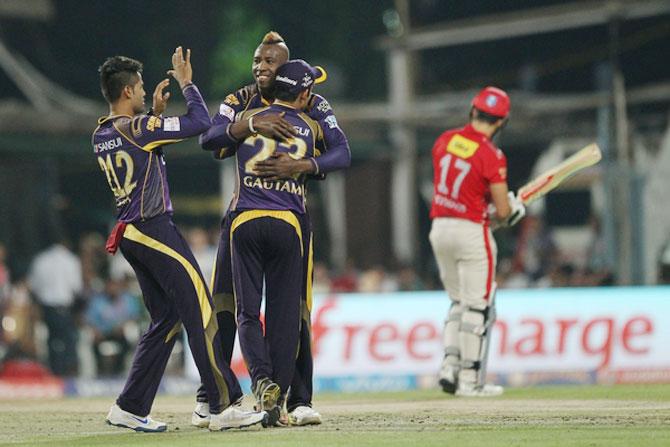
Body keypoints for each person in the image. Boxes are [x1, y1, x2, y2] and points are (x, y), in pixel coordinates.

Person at [93, 47, 266, 432]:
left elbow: (139, 155)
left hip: (130, 234)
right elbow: (201, 122)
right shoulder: (138, 129)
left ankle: (130, 406)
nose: (143, 94)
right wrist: (187, 83)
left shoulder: (103, 132)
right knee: (201, 308)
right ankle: (222, 405)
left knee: (167, 318)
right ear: (126, 93)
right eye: (139, 89)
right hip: (154, 227)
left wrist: (153, 114)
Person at [194, 31, 350, 427]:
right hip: (249, 215)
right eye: (257, 61)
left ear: (284, 70)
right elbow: (210, 138)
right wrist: (249, 123)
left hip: (276, 215)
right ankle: (213, 397)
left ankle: (296, 398)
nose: (261, 68)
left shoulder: (313, 100)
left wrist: (304, 166)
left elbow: (339, 149)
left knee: (293, 309)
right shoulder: (241, 100)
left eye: (269, 63)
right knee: (225, 305)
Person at [428, 86, 525, 397]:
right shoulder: (491, 155)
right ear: (501, 122)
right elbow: (504, 210)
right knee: (477, 307)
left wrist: (491, 208)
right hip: (471, 232)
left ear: (473, 111)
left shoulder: (444, 141)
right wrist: (513, 210)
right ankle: (470, 381)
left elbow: (460, 190)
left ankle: (449, 367)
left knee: (458, 301)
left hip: (440, 228)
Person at [28, 239, 82, 376]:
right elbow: (76, 288)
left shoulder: (40, 259)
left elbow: (34, 287)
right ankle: (68, 373)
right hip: (64, 308)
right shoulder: (71, 260)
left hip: (47, 309)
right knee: (69, 340)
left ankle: (54, 372)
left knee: (52, 341)